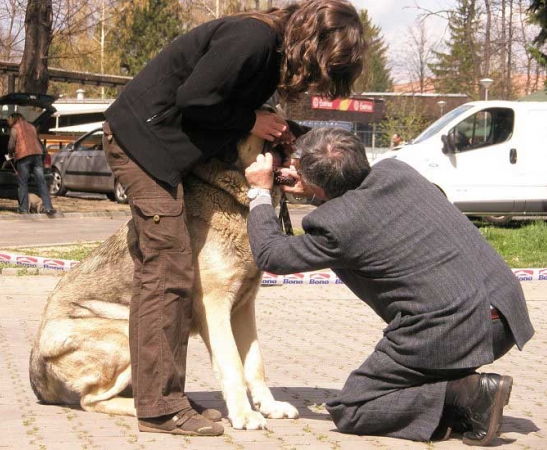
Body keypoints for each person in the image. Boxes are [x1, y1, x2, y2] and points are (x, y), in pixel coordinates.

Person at [102, 0, 365, 437]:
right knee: (167, 267)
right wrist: (253, 118)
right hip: (140, 140)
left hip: (168, 146)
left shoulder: (269, 52)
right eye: (323, 70)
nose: (317, 80)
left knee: (175, 268)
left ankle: (170, 395)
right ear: (312, 45)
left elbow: (222, 110)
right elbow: (195, 98)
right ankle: (159, 407)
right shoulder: (253, 38)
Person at [244, 127, 534, 446]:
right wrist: (314, 189)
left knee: (355, 408)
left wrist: (259, 191)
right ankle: (468, 405)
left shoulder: (334, 226)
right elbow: (362, 209)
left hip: (452, 329)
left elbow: (272, 254)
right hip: (505, 313)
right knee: (406, 384)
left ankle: (469, 393)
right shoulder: (397, 171)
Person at [7, 113, 56, 215]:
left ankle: (23, 209)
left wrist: (10, 154)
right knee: (41, 182)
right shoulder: (31, 126)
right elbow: (36, 140)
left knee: (23, 183)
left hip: (23, 156)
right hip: (37, 155)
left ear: (14, 119)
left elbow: (11, 145)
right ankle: (48, 207)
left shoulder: (15, 128)